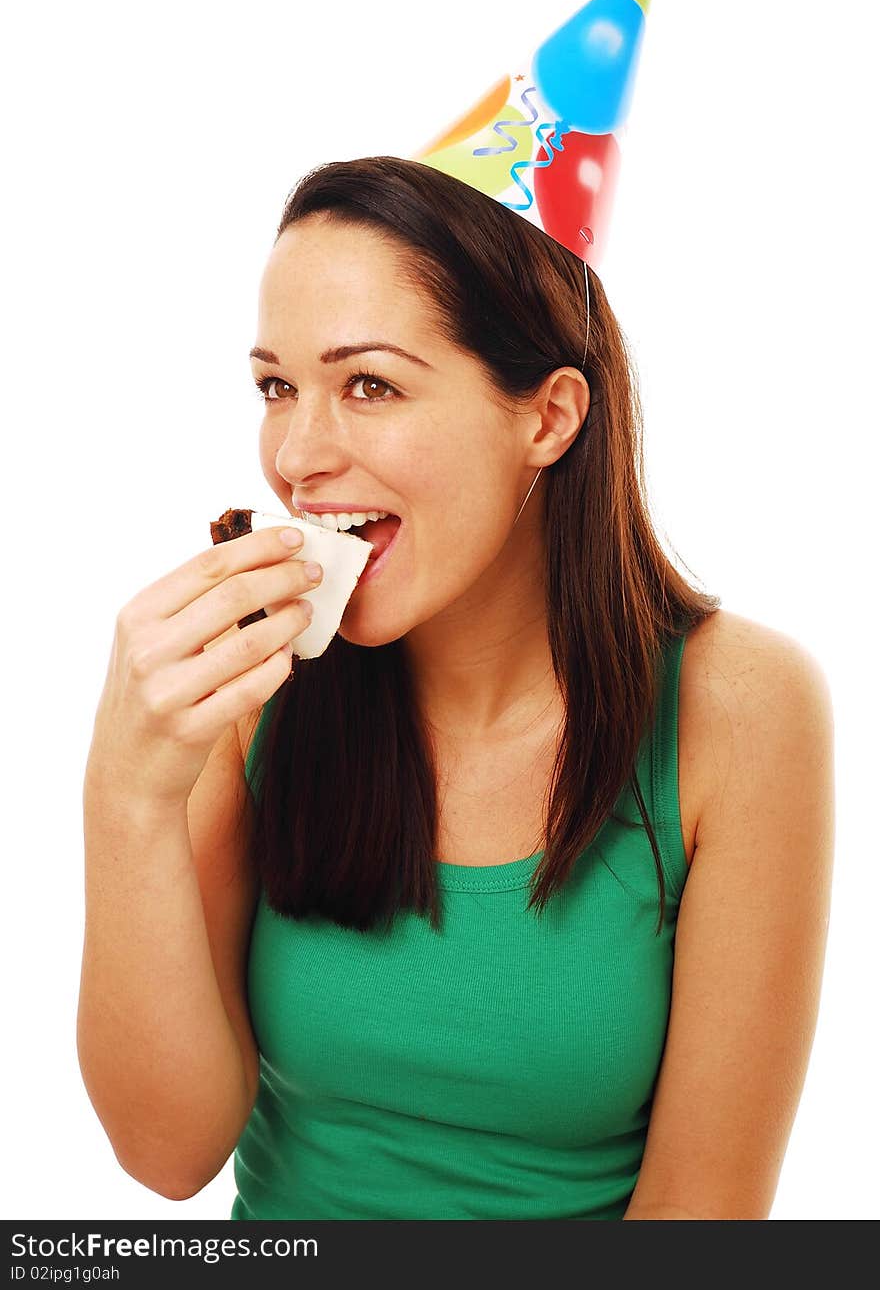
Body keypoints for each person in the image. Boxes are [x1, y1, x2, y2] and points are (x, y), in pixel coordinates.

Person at [77, 155, 834, 1220]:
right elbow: (167, 1152)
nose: (296, 455)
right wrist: (127, 791)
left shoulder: (742, 708)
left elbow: (701, 1216)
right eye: (277, 386)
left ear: (548, 417)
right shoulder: (256, 677)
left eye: (370, 385)